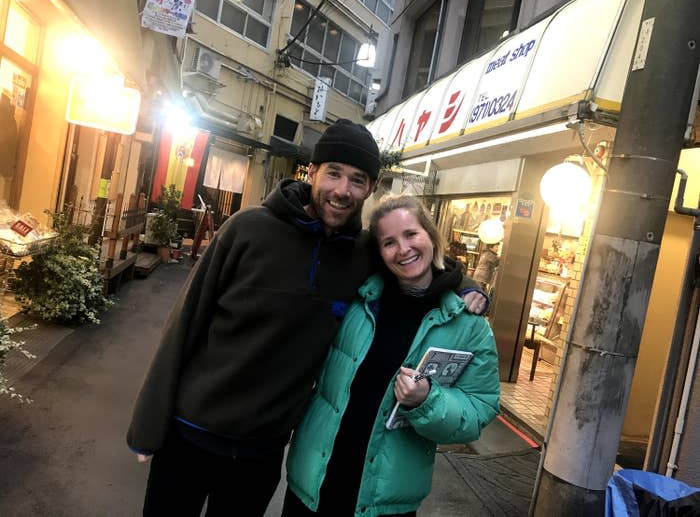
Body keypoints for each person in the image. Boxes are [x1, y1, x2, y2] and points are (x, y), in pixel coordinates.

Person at [126, 120, 488, 517]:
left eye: (357, 179)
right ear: (311, 172)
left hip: (261, 452)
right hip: (189, 435)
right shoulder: (246, 229)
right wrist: (147, 427)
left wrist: (466, 285)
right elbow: (183, 325)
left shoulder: (362, 254)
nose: (342, 190)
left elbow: (415, 259)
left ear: (369, 189)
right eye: (333, 172)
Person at [283, 195, 500, 517]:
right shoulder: (356, 299)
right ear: (378, 253)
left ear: (431, 235)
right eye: (388, 242)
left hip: (385, 497)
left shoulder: (469, 326)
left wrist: (428, 400)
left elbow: (479, 409)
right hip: (314, 479)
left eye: (411, 234)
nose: (403, 249)